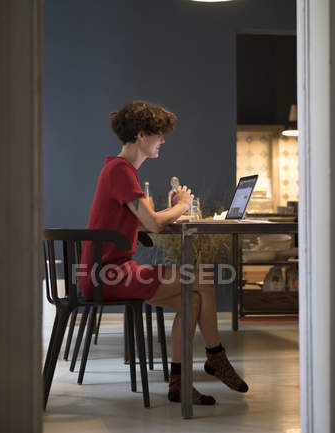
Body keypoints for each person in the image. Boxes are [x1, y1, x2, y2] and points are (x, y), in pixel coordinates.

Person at [79, 100, 248, 406]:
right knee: (203, 279)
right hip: (109, 274)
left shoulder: (118, 169)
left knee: (193, 298)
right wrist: (181, 206)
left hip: (108, 272)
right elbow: (154, 225)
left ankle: (180, 382)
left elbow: (144, 219)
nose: (163, 140)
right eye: (159, 134)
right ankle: (215, 357)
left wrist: (169, 209)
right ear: (141, 135)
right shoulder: (121, 170)